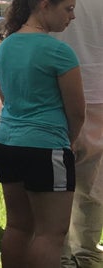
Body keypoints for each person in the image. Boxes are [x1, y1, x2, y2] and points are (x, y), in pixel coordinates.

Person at [0, 0, 84, 267]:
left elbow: (6, 97)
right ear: (44, 5)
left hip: (5, 143)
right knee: (51, 233)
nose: (73, 16)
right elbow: (77, 111)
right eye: (68, 8)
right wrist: (70, 140)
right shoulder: (59, 52)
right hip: (45, 146)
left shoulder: (6, 45)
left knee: (18, 226)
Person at [52, 1, 103, 267]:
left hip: (54, 88)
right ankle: (84, 254)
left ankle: (64, 255)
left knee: (55, 181)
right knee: (92, 185)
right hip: (91, 89)